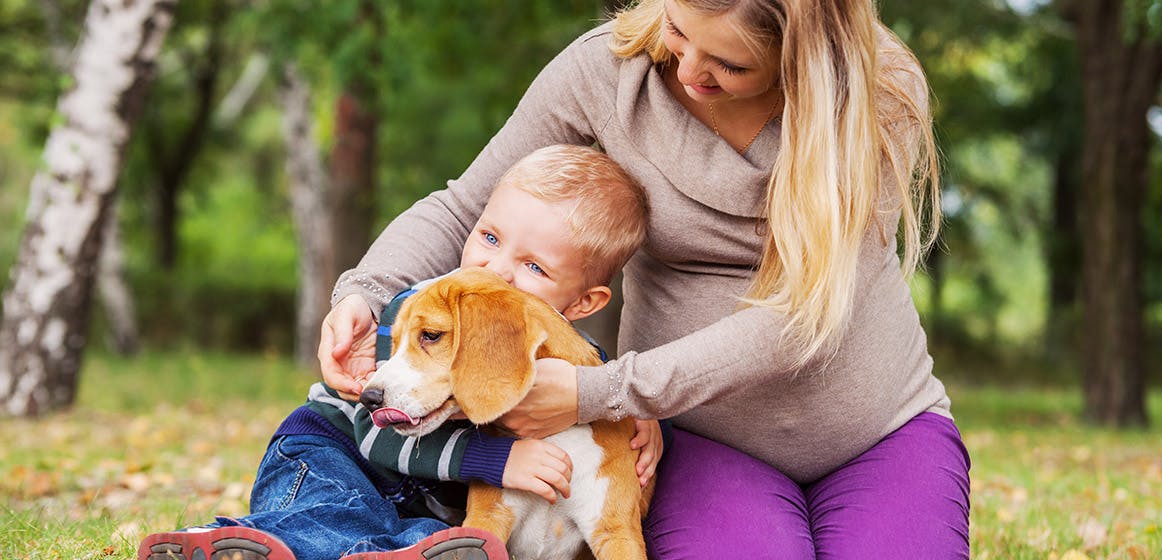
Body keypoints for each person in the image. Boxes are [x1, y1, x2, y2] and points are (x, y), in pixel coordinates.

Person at [319, 0, 970, 558]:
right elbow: (470, 204)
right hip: (698, 439)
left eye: (730, 64)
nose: (686, 72)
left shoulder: (872, 98)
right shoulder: (605, 71)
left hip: (882, 431)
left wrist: (599, 391)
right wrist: (365, 289)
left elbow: (798, 317)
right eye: (678, 32)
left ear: (803, 55)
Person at [138, 144, 657, 560]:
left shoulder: (572, 366)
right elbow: (376, 434)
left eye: (535, 268)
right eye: (490, 237)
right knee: (336, 509)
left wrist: (644, 416)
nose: (495, 270)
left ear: (585, 302)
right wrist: (496, 459)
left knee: (429, 536)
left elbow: (603, 394)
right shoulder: (418, 308)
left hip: (413, 504)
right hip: (333, 451)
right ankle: (228, 541)